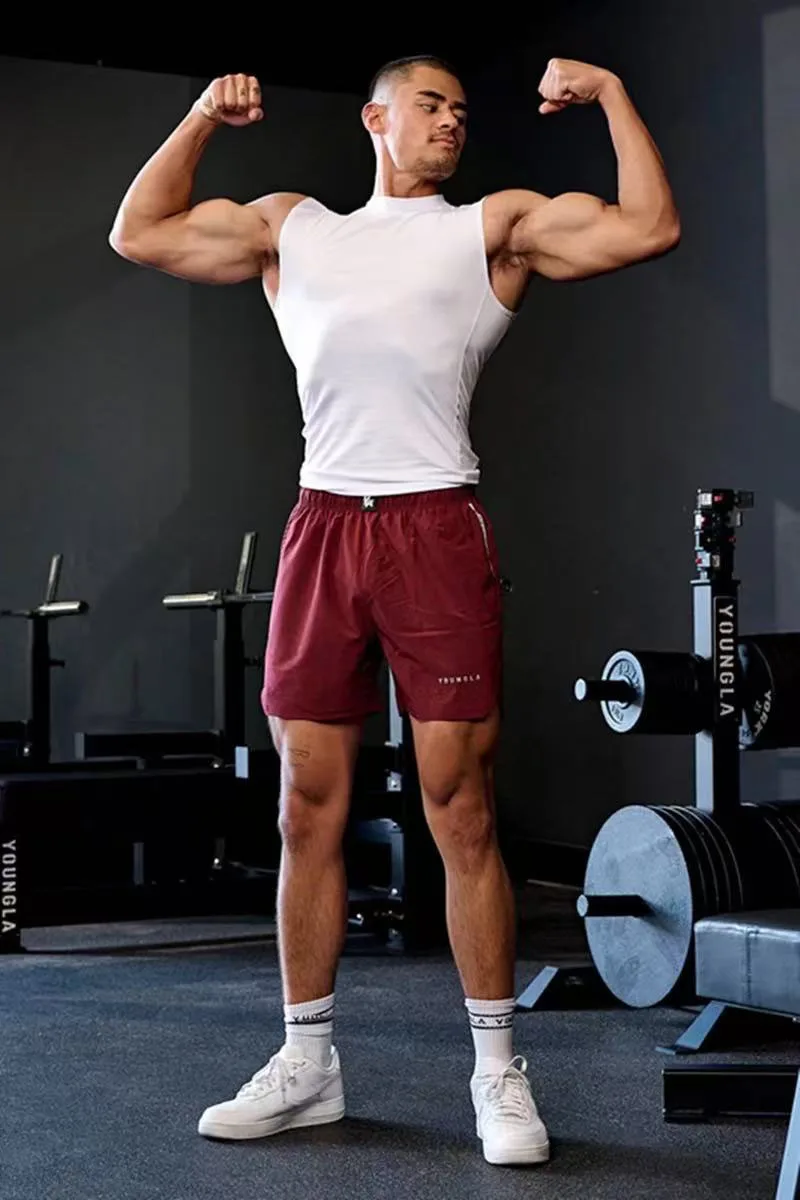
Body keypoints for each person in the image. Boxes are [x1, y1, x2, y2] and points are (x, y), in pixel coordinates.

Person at [109, 54, 679, 1166]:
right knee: (304, 806)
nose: (452, 121)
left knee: (459, 808)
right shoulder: (294, 228)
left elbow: (648, 226)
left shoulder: (492, 229)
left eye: (462, 110)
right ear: (376, 117)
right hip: (324, 525)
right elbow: (141, 232)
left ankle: (497, 1071)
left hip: (435, 525)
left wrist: (613, 92)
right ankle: (307, 1062)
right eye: (431, 104)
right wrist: (201, 115)